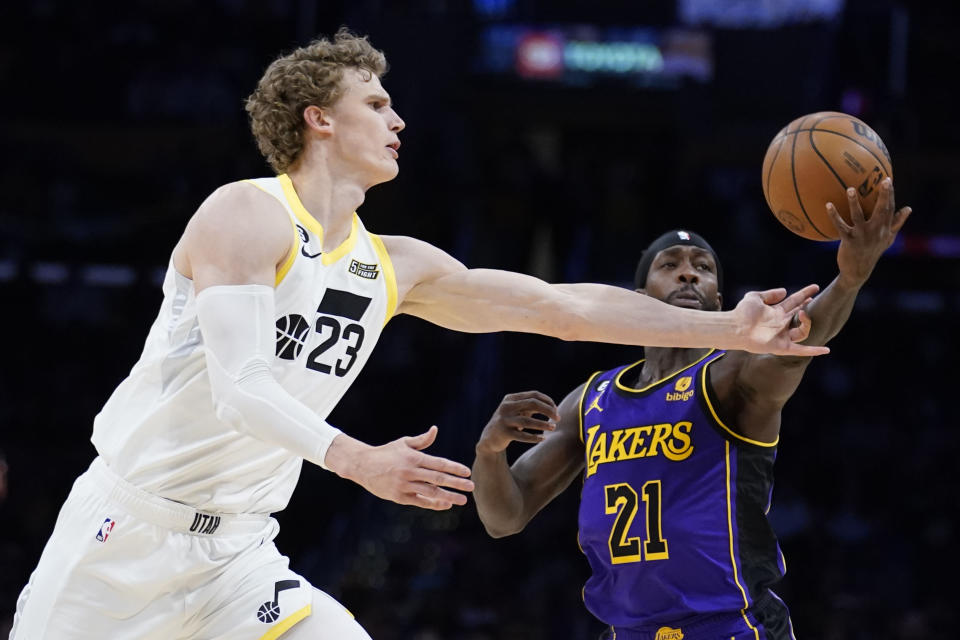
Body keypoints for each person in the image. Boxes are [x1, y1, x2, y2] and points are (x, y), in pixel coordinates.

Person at [11, 29, 827, 640]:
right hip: (123, 540)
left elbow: (558, 308)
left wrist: (732, 328)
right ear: (318, 118)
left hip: (237, 559)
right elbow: (240, 387)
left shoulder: (393, 264)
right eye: (377, 103)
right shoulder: (245, 212)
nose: (398, 117)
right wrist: (360, 460)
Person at [472, 182, 910, 640]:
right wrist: (489, 451)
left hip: (731, 628)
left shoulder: (728, 374)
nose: (689, 274)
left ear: (719, 302)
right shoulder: (591, 398)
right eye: (670, 265)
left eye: (703, 268)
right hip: (628, 632)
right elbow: (505, 517)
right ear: (638, 296)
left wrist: (851, 279)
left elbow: (796, 343)